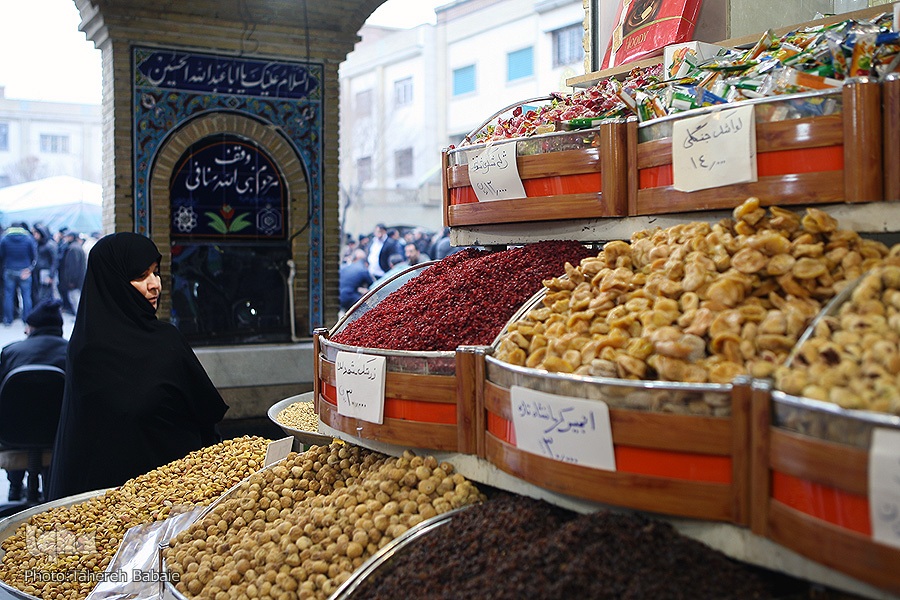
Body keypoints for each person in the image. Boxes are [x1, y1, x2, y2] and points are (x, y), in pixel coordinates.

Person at [48, 232, 229, 500]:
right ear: (113, 282)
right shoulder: (88, 350)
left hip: (173, 492)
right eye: (141, 276)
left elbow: (205, 410)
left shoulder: (157, 341)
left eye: (155, 273)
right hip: (113, 505)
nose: (155, 285)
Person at [0, 299, 68, 501]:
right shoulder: (71, 351)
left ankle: (14, 487)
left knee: (17, 416)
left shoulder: (11, 352)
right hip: (56, 435)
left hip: (11, 436)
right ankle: (49, 492)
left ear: (32, 328)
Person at [0, 222, 37, 327]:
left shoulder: (4, 238)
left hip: (9, 269)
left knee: (8, 295)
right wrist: (29, 268)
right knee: (26, 295)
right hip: (24, 270)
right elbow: (33, 254)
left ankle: (8, 319)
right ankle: (26, 319)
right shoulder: (28, 238)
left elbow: (1, 255)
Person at [58, 232, 87, 314]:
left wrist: (71, 281)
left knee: (75, 299)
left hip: (74, 281)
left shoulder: (73, 249)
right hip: (78, 279)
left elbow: (72, 267)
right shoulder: (76, 247)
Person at [339, 249, 375, 313]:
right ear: (366, 264)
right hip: (349, 298)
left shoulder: (345, 267)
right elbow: (373, 286)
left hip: (338, 297)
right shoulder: (363, 269)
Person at [31, 224, 58, 305]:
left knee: (45, 295)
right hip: (38, 273)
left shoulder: (50, 245)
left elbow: (55, 261)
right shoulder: (38, 244)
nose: (35, 236)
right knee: (39, 294)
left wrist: (51, 275)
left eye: (37, 233)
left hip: (46, 273)